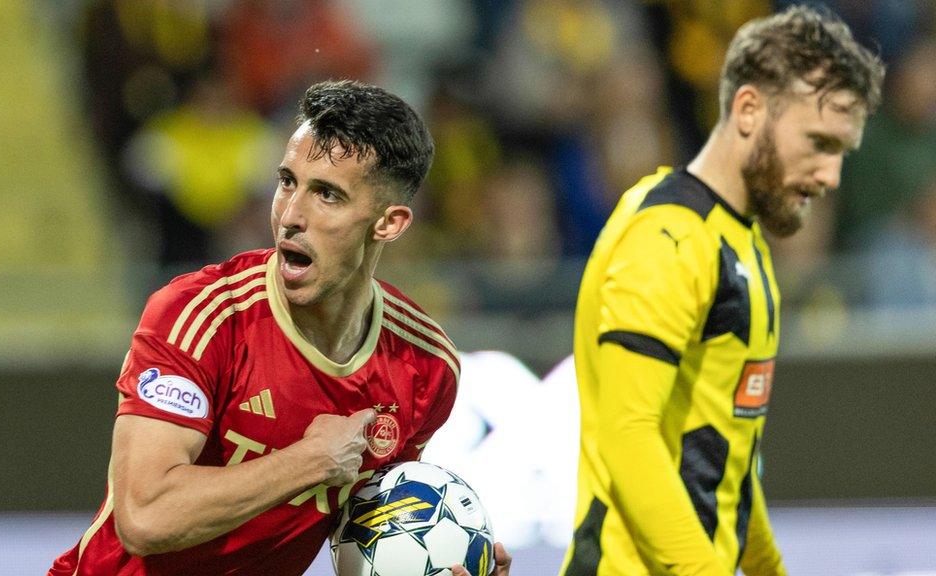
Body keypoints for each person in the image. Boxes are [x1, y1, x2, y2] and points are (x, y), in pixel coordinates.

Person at [50, 80, 511, 576]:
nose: (290, 214)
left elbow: (363, 528)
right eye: (288, 181)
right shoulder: (202, 316)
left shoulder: (424, 367)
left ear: (389, 223)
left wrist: (440, 561)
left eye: (327, 195)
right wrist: (308, 460)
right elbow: (145, 517)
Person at [561, 6, 883, 576]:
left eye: (841, 153)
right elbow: (628, 434)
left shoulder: (741, 243)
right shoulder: (667, 238)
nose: (831, 175)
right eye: (818, 142)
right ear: (748, 108)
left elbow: (728, 462)